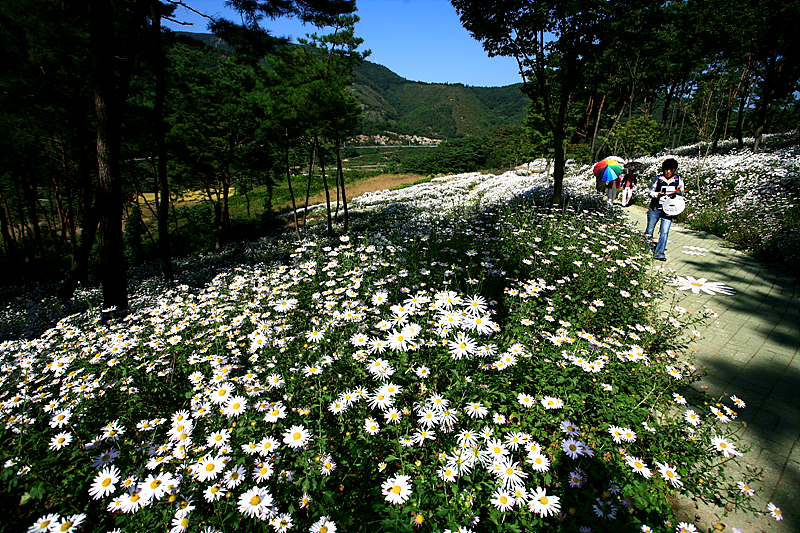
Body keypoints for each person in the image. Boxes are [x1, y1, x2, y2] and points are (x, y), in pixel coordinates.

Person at [644, 158, 684, 261]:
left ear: (674, 169)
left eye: (670, 169)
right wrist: (657, 194)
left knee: (664, 231)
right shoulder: (658, 179)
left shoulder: (678, 180)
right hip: (655, 208)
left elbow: (681, 193)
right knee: (650, 229)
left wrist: (676, 195)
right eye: (666, 169)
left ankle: (659, 253)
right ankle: (645, 250)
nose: (668, 172)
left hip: (669, 209)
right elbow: (650, 192)